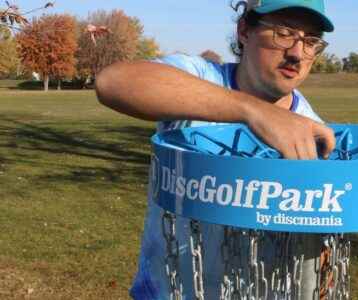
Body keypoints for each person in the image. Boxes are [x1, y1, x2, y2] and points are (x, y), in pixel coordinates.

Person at [95, 0, 336, 298]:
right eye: (284, 32)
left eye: (310, 41)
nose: (297, 53)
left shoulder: (314, 130)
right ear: (244, 31)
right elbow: (113, 83)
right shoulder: (201, 77)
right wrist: (253, 111)